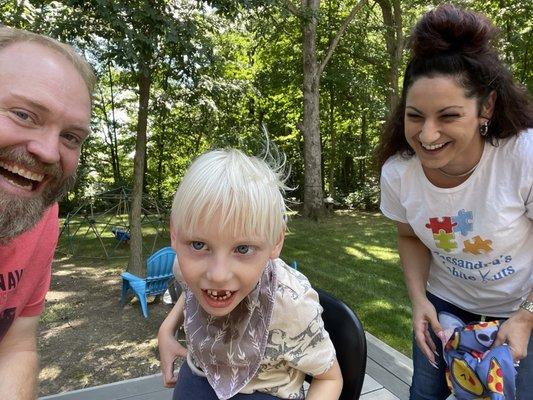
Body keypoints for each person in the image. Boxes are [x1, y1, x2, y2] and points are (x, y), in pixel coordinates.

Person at [377, 4, 533, 400]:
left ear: (487, 107)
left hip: (522, 301)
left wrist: (528, 313)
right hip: (445, 300)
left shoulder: (523, 157)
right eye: (415, 116)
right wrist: (418, 302)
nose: (427, 135)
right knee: (425, 392)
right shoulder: (398, 173)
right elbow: (408, 236)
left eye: (448, 116)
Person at [158, 148, 343, 400]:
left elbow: (330, 377)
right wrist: (167, 330)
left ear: (276, 243)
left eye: (243, 248)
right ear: (175, 237)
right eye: (199, 245)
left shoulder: (290, 305)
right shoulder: (185, 268)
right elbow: (189, 289)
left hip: (265, 390)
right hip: (201, 375)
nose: (218, 275)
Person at [0, 27, 95, 398]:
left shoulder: (37, 213)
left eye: (71, 137)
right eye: (24, 114)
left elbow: (15, 344)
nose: (49, 152)